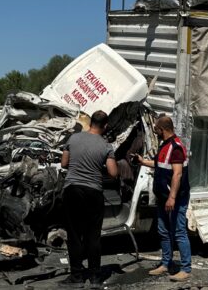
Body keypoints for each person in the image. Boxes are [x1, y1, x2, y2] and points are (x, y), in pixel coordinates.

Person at [60, 110, 118, 288]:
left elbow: (63, 163)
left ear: (91, 122)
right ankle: (94, 277)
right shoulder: (106, 146)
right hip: (93, 193)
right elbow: (113, 173)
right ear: (105, 126)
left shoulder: (74, 138)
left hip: (72, 190)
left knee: (75, 235)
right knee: (93, 236)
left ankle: (76, 275)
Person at [134, 116, 192, 282]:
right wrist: (142, 162)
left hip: (175, 198)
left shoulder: (176, 148)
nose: (155, 132)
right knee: (163, 231)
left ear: (163, 130)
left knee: (179, 232)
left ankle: (186, 268)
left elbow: (177, 174)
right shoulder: (165, 145)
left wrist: (172, 197)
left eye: (156, 130)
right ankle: (166, 263)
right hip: (163, 197)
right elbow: (160, 164)